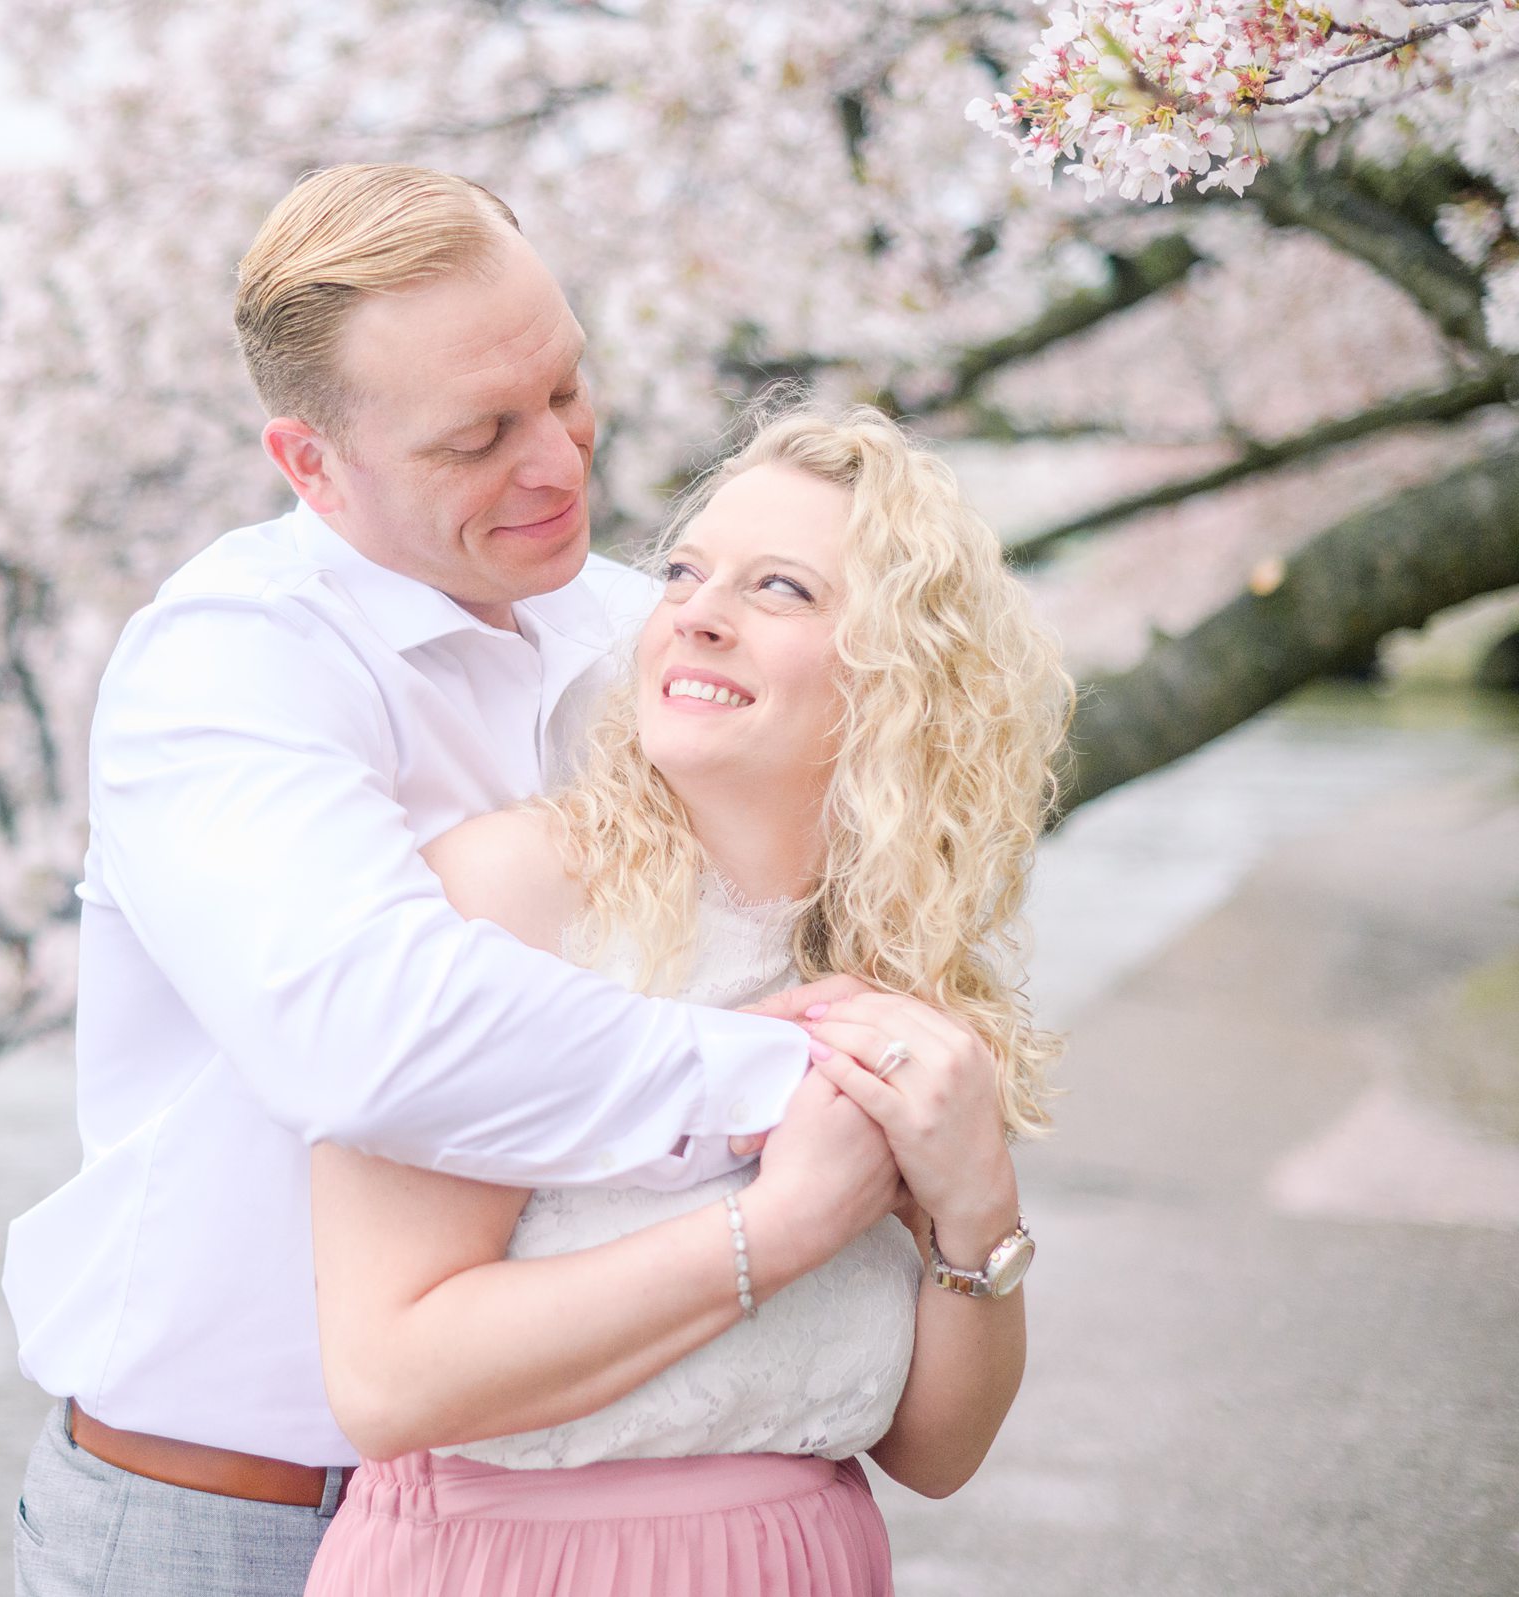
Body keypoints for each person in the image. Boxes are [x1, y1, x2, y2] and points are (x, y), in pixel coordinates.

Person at [2, 167, 921, 1597]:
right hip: (220, 1519)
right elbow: (369, 1033)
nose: (558, 460)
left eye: (564, 388)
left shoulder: (647, 635)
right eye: (479, 437)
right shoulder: (228, 666)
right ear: (311, 463)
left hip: (553, 1524)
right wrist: (797, 1093)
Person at [302, 405, 1073, 1595]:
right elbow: (387, 1380)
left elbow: (938, 1452)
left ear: (903, 673)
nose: (697, 613)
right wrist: (782, 1226)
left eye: (782, 588)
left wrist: (978, 1200)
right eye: (683, 572)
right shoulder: (514, 897)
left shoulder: (904, 971)